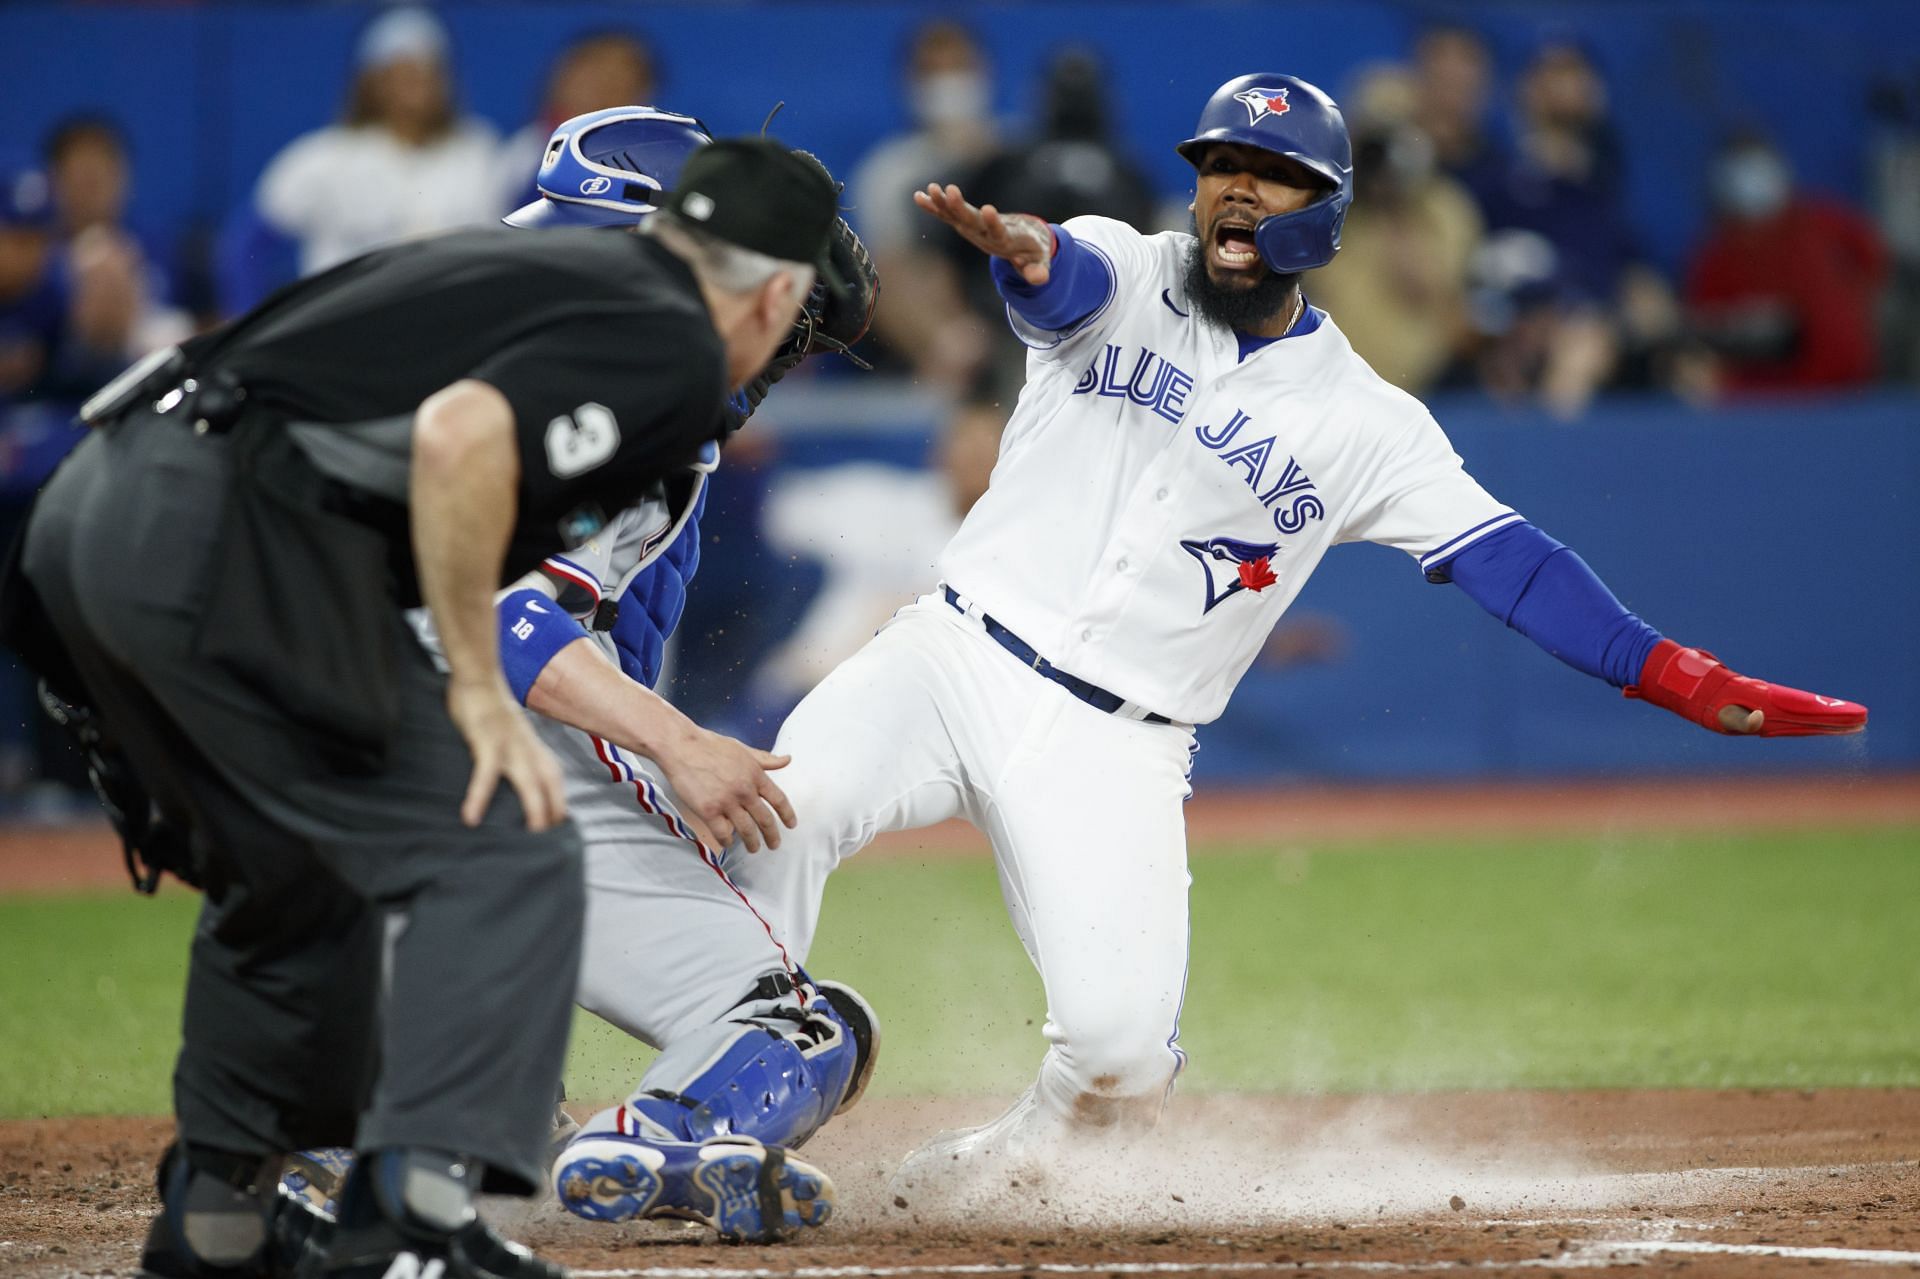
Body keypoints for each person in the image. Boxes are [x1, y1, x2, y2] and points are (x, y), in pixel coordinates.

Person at [707, 72, 1865, 1191]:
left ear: (1331, 214)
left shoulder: (1368, 423)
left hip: (1117, 742)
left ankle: (975, 1181)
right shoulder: (1131, 264)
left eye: (1275, 173)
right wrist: (1026, 249)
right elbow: (1055, 275)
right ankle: (713, 1104)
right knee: (775, 812)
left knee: (1115, 1059)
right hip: (953, 656)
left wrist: (1678, 675)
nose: (1237, 191)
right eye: (1221, 166)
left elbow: (1513, 565)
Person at [3, 137, 840, 1279]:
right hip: (222, 535)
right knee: (501, 853)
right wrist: (481, 682)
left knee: (297, 885)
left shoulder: (511, 275)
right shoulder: (660, 325)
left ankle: (216, 1225)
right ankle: (408, 1226)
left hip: (91, 519)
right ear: (776, 290)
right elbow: (463, 447)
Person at [456, 104, 881, 1244]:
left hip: (296, 742)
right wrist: (678, 745)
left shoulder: (447, 305)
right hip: (458, 744)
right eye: (778, 307)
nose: (777, 343)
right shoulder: (640, 394)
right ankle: (657, 1128)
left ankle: (417, 1124)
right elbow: (510, 626)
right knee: (808, 1023)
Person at [249, 6, 500, 284]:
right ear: (371, 81)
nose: (417, 83)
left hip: (453, 317)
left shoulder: (478, 152)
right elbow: (248, 245)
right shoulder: (327, 157)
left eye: (428, 70)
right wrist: (244, 316)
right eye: (402, 70)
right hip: (349, 318)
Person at [847, 18, 1002, 388]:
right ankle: (957, 363)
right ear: (911, 84)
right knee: (879, 273)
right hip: (934, 333)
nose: (949, 85)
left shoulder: (1019, 154)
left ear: (984, 73)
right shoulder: (887, 170)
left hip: (1016, 303)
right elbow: (889, 267)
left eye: (959, 69)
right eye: (934, 72)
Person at [1684, 132, 1889, 395]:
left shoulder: (1819, 219)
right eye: (1741, 169)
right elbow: (1709, 329)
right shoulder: (1716, 254)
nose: (1751, 181)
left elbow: (1874, 257)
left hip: (1851, 385)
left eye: (1757, 166)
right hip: (1772, 398)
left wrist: (1854, 300)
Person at [492, 31, 658, 215]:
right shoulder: (522, 152)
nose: (603, 87)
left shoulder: (656, 164)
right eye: (594, 70)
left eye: (618, 78)